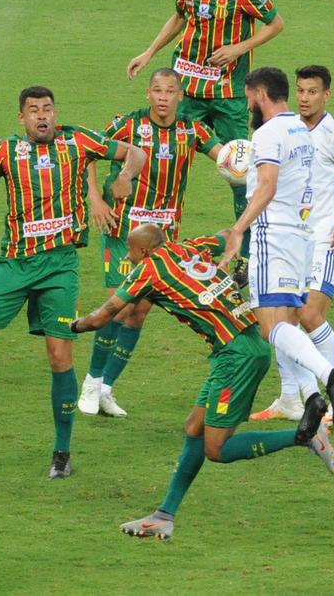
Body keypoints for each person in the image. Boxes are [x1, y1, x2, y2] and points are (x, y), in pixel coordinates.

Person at [71, 224, 334, 539]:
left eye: (129, 251)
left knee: (216, 449)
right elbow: (229, 234)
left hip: (237, 356)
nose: (126, 257)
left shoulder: (148, 270)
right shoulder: (190, 246)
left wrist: (72, 325)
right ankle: (164, 515)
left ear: (143, 250)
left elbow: (105, 316)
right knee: (194, 427)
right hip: (237, 346)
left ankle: (304, 435)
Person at [0, 86, 145, 478]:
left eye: (47, 109)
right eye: (34, 110)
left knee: (59, 357)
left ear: (55, 112)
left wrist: (126, 178)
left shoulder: (77, 140)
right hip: (13, 263)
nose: (42, 116)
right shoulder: (4, 151)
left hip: (59, 266)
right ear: (22, 118)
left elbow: (135, 152)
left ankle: (62, 453)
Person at [126, 0, 285, 277]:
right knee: (163, 162)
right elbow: (180, 17)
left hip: (228, 95)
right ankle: (151, 242)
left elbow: (276, 24)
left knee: (240, 172)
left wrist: (239, 48)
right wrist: (150, 52)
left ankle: (245, 253)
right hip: (188, 92)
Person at [79, 67, 222, 418]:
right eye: (157, 90)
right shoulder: (128, 125)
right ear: (148, 94)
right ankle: (91, 383)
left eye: (170, 91)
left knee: (140, 311)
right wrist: (95, 200)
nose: (162, 97)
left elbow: (224, 157)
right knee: (121, 305)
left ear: (179, 96)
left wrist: (246, 163)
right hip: (124, 230)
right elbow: (88, 153)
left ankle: (107, 389)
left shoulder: (192, 129)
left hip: (163, 237)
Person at [219, 67, 334, 423]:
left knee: (270, 327)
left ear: (260, 94)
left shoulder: (267, 133)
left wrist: (238, 229)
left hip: (272, 235)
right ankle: (309, 399)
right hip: (301, 236)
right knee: (290, 324)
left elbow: (267, 186)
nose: (248, 104)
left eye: (248, 97)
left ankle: (331, 377)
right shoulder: (300, 128)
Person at [251, 66, 334, 422]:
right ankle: (291, 397)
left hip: (328, 238)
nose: (306, 98)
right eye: (302, 91)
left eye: (313, 92)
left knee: (309, 315)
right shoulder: (288, 130)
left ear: (327, 95)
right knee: (284, 318)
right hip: (295, 239)